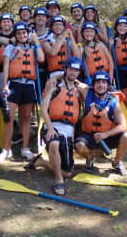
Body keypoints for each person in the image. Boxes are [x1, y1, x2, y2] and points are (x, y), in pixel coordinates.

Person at [24, 57, 83, 195]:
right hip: (53, 125)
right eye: (70, 69)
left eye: (76, 70)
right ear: (65, 69)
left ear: (78, 72)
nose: (73, 73)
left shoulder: (79, 89)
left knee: (67, 172)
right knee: (54, 143)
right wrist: (50, 127)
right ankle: (58, 180)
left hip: (68, 129)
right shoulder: (53, 85)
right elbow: (44, 109)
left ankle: (43, 162)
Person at [0, 22, 45, 163]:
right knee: (9, 118)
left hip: (29, 85)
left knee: (26, 118)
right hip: (14, 84)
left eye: (24, 33)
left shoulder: (33, 47)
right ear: (15, 35)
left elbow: (41, 59)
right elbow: (5, 67)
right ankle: (5, 149)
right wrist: (4, 86)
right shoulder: (10, 47)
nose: (22, 36)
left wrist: (35, 40)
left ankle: (25, 148)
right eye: (19, 33)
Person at [75, 71, 127, 176]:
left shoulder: (114, 102)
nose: (101, 85)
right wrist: (54, 79)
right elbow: (74, 80)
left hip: (107, 136)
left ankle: (116, 162)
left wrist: (105, 134)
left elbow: (123, 125)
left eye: (103, 82)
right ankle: (89, 159)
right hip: (90, 136)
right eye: (97, 82)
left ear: (108, 85)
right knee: (79, 145)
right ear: (93, 84)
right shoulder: (87, 92)